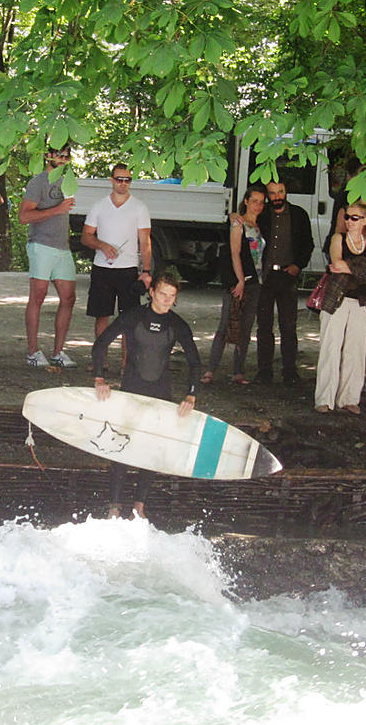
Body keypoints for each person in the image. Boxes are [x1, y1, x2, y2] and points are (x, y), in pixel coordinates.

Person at [91, 270, 201, 519]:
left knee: (151, 449)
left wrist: (191, 395)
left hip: (160, 394)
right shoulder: (133, 316)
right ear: (151, 292)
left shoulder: (177, 324)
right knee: (121, 445)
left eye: (171, 296)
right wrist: (100, 378)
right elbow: (101, 344)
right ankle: (114, 507)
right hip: (131, 390)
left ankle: (139, 506)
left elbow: (195, 362)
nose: (166, 299)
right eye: (162, 293)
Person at [314, 202, 366, 414]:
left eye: (354, 218)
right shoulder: (338, 239)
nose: (349, 221)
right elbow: (336, 265)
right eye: (347, 217)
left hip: (361, 302)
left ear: (365, 221)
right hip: (337, 300)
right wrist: (364, 268)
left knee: (356, 349)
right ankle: (324, 399)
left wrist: (351, 267)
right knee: (330, 347)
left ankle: (350, 399)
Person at [81, 163, 152, 354]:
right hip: (102, 268)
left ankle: (126, 364)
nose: (123, 183)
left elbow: (145, 241)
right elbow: (86, 236)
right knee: (101, 316)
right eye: (119, 179)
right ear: (111, 180)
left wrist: (146, 271)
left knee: (129, 319)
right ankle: (100, 360)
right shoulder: (99, 205)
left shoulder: (139, 207)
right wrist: (102, 245)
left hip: (128, 270)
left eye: (127, 179)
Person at [18, 143, 78, 368]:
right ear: (48, 156)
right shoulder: (38, 182)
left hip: (62, 247)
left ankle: (58, 352)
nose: (62, 160)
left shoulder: (68, 181)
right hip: (41, 245)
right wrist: (56, 209)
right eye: (58, 155)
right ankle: (33, 352)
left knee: (68, 298)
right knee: (38, 296)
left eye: (66, 156)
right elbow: (23, 217)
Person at [202, 184, 266, 385]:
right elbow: (235, 252)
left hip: (256, 281)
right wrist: (239, 280)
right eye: (254, 201)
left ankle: (238, 371)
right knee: (225, 324)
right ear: (246, 201)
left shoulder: (260, 225)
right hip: (238, 281)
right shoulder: (238, 224)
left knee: (246, 327)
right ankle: (211, 369)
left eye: (261, 202)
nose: (258, 205)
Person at [255, 179, 314, 385]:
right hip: (265, 277)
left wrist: (298, 265)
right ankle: (264, 371)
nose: (277, 197)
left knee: (288, 327)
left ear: (286, 192)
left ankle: (290, 371)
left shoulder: (299, 215)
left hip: (288, 275)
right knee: (264, 326)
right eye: (272, 193)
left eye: (280, 192)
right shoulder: (262, 214)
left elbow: (308, 243)